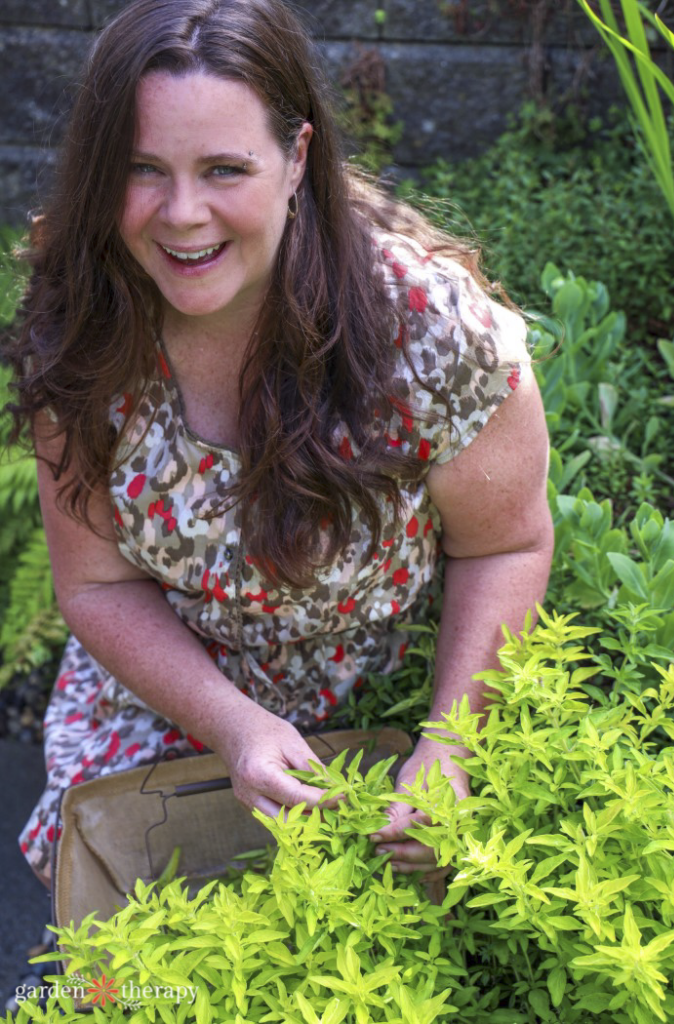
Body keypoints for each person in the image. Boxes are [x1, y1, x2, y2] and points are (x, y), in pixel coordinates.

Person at [6, 0, 553, 893]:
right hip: (168, 692)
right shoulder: (82, 329)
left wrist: (450, 744)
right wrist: (233, 724)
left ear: (296, 158)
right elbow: (98, 583)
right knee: (122, 954)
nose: (182, 216)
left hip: (393, 699)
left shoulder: (427, 332)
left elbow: (506, 543)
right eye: (143, 169)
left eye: (225, 168)